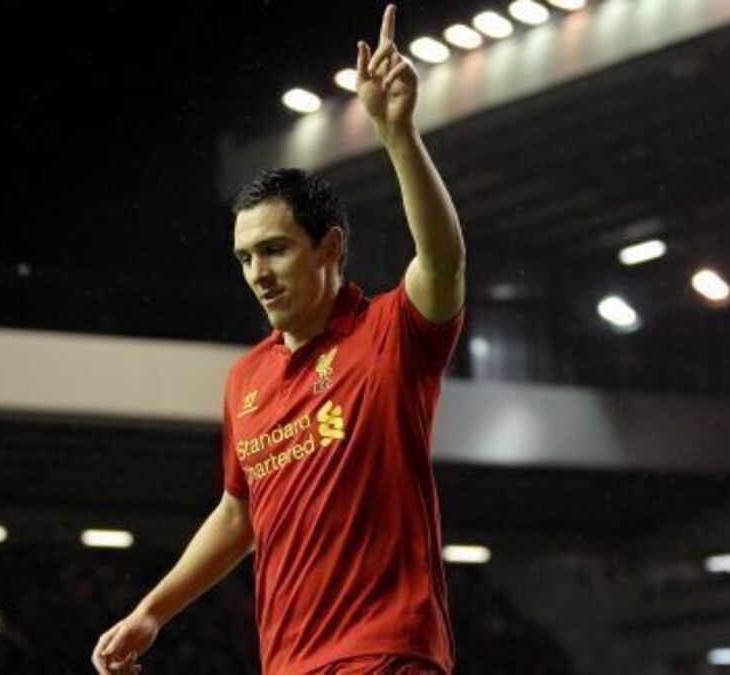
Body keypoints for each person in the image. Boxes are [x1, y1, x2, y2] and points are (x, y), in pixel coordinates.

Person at [92, 4, 465, 673]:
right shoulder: (247, 380)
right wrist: (152, 610)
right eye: (244, 258)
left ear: (331, 247)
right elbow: (239, 515)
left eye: (274, 250)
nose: (257, 274)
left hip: (385, 652)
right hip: (289, 662)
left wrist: (398, 135)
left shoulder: (390, 335)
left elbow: (443, 261)